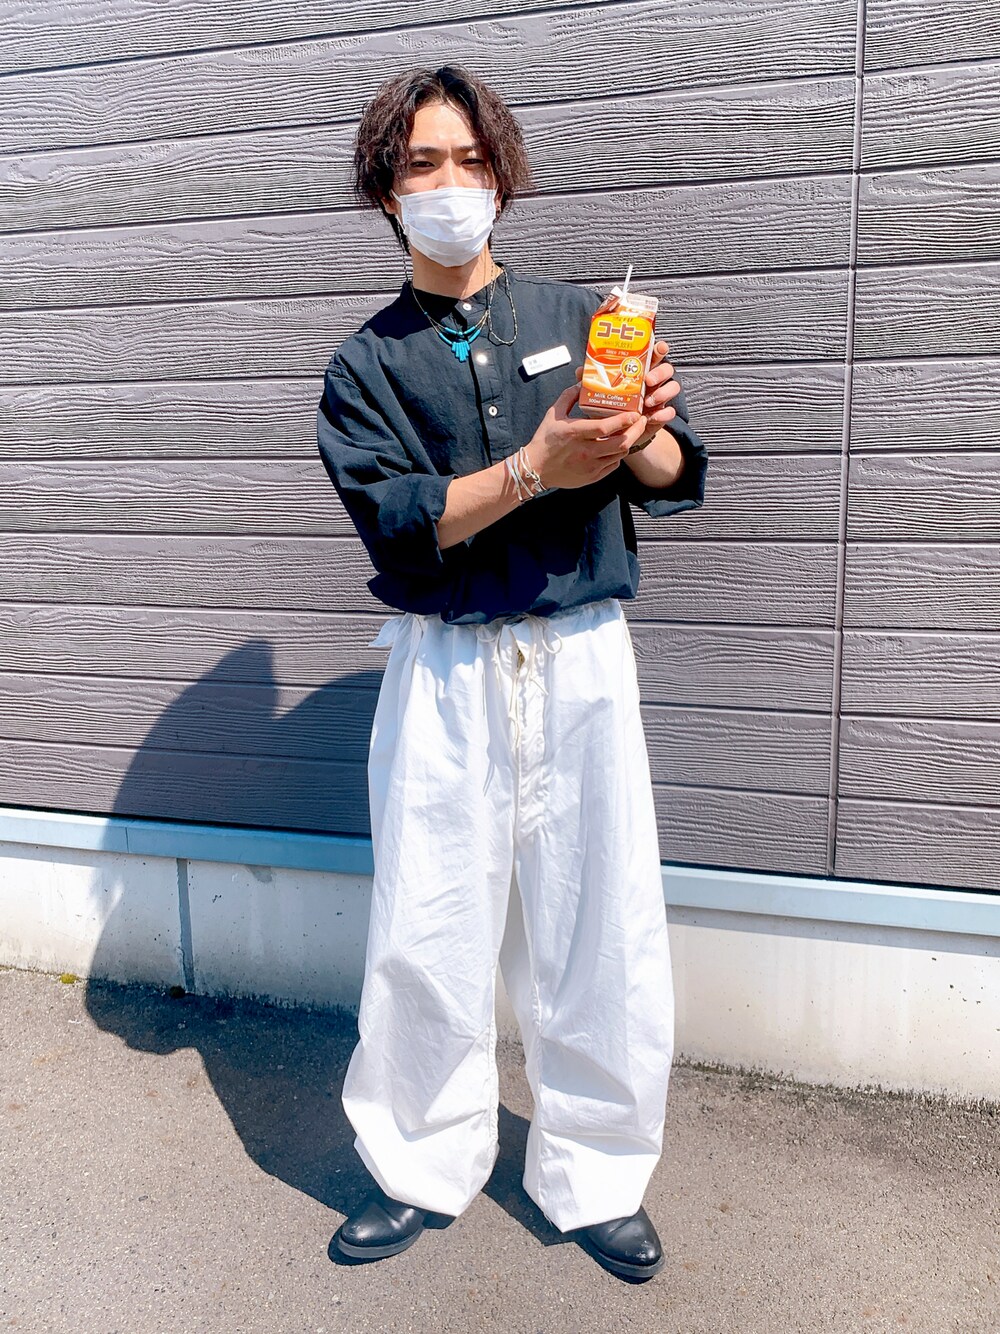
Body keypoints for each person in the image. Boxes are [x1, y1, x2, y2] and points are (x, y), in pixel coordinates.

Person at [316, 64, 708, 1282]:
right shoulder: (364, 366)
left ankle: (598, 1169)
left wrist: (641, 436)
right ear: (387, 190)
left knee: (602, 923)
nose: (451, 184)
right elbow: (401, 525)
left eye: (471, 160)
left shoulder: (582, 314)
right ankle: (416, 1161)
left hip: (583, 655)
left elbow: (676, 475)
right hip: (444, 668)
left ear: (504, 174)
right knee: (427, 926)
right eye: (421, 164)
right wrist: (537, 466)